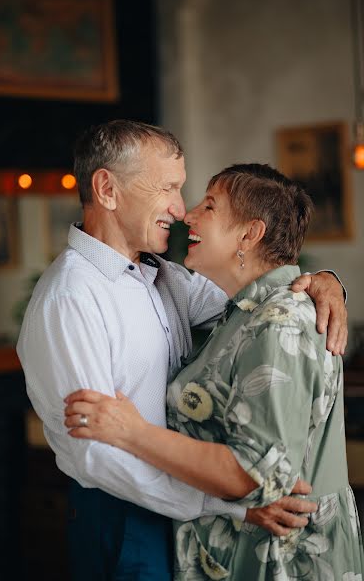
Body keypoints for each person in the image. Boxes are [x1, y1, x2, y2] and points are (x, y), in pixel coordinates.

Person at [17, 121, 347, 581]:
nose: (180, 208)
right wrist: (231, 505)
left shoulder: (165, 277)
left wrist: (328, 285)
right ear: (107, 189)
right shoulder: (70, 298)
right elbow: (96, 453)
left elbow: (260, 302)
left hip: (184, 512)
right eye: (168, 188)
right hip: (123, 517)